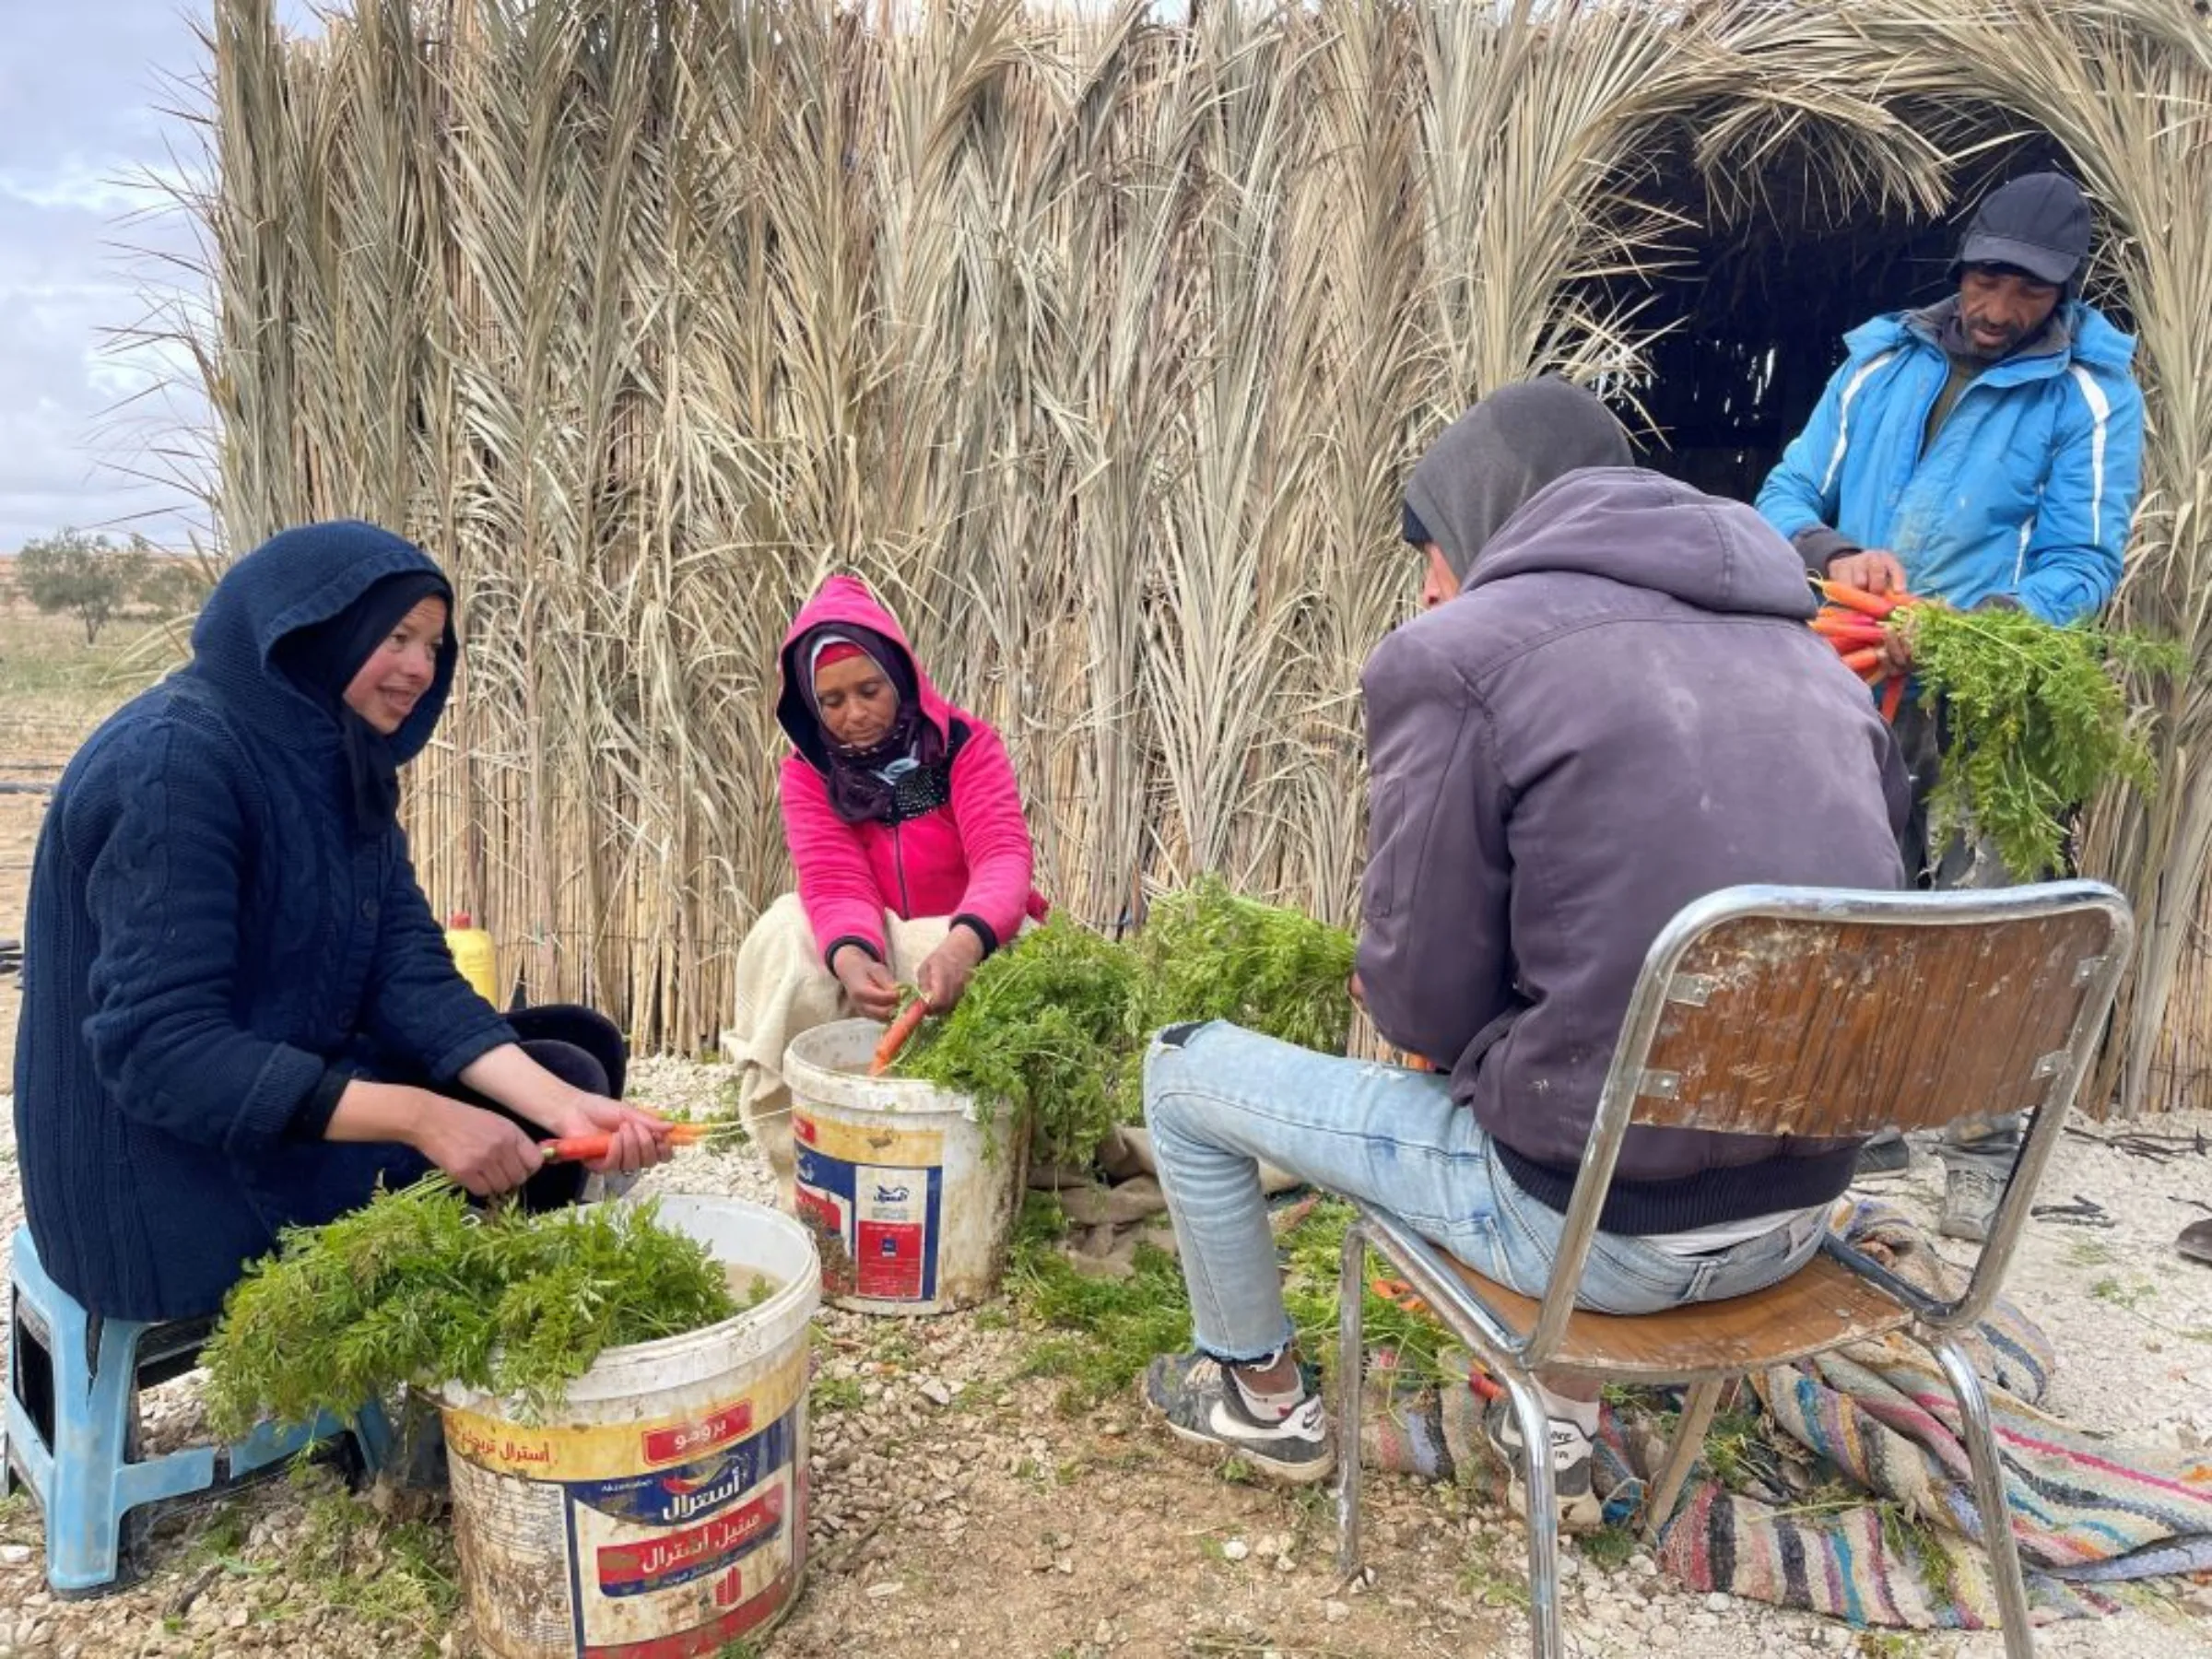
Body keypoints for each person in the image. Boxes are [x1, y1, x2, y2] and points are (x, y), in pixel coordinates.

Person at [1138, 378, 1910, 1526]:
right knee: (1611, 1076)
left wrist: (1474, 1028)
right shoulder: (1811, 662)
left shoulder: (1462, 655)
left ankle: (1257, 1395)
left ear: (1477, 525)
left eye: (1428, 558)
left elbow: (1420, 1007)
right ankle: (1553, 1422)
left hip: (1591, 1247)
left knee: (1183, 1069)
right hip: (1801, 1224)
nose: (1426, 591)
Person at [11, 521, 671, 1325]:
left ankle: (478, 1349)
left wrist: (567, 1110)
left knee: (574, 1064)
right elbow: (163, 1054)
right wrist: (423, 1117)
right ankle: (464, 1377)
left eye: (434, 645)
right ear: (314, 630)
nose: (420, 669)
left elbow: (406, 968)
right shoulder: (174, 763)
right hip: (162, 1185)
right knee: (502, 1123)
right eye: (397, 636)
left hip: (260, 1105)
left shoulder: (336, 763)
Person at [1754, 170, 2146, 1239]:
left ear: (2063, 293)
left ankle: (1977, 1146)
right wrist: (1840, 553)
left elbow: (2081, 562)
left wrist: (1981, 630)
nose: (1996, 304)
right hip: (1856, 672)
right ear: (1962, 264)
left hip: (1991, 689)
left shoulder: (2090, 398)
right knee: (1853, 883)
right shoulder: (1878, 362)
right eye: (1985, 276)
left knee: (1986, 907)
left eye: (2025, 289)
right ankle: (1855, 1120)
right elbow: (1785, 495)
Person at [724, 575, 1046, 1182]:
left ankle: (1003, 1163)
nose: (855, 715)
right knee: (785, 929)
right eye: (833, 702)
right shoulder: (809, 775)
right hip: (882, 947)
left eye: (869, 690)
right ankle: (808, 1158)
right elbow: (834, 878)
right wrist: (850, 957)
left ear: (900, 676)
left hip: (964, 943)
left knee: (1029, 948)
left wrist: (963, 944)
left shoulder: (964, 746)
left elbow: (1002, 856)